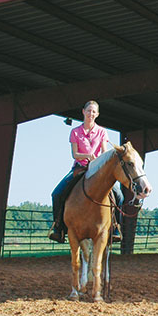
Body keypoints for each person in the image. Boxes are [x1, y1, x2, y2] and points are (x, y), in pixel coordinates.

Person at [48, 100, 122, 243]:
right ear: (83, 111)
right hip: (79, 167)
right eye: (89, 111)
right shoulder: (75, 132)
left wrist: (98, 160)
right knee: (57, 193)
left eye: (94, 111)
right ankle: (58, 228)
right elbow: (75, 154)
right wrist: (88, 156)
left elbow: (104, 153)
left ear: (97, 114)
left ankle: (115, 227)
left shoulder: (102, 132)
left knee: (119, 195)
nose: (91, 114)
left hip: (97, 169)